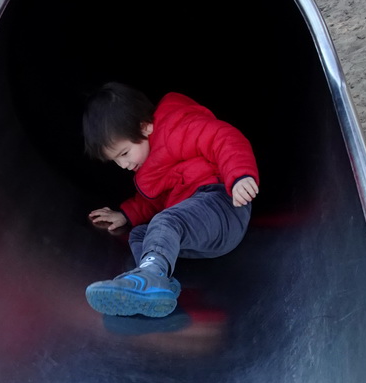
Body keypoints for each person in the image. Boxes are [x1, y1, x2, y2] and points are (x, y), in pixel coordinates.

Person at [83, 82, 259, 317]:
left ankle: (150, 279)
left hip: (222, 205)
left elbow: (223, 138)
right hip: (200, 232)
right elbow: (154, 201)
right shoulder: (148, 168)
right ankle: (154, 278)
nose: (123, 165)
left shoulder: (176, 128)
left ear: (145, 127)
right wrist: (124, 215)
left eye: (124, 153)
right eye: (115, 160)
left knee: (166, 221)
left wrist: (239, 176)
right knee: (140, 234)